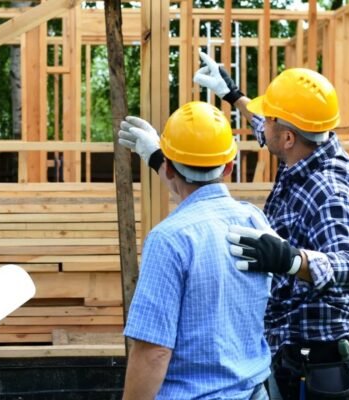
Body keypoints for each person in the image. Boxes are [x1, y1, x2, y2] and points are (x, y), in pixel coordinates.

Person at [193, 53, 349, 399]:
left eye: (271, 119)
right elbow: (269, 125)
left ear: (290, 138)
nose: (262, 123)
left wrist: (292, 260)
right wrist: (232, 94)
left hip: (324, 363)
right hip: (297, 354)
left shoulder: (329, 189)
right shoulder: (305, 149)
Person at [119, 101, 271, 400]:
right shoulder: (254, 220)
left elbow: (154, 352)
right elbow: (201, 199)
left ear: (170, 166)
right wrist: (156, 156)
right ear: (229, 166)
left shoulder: (168, 239)